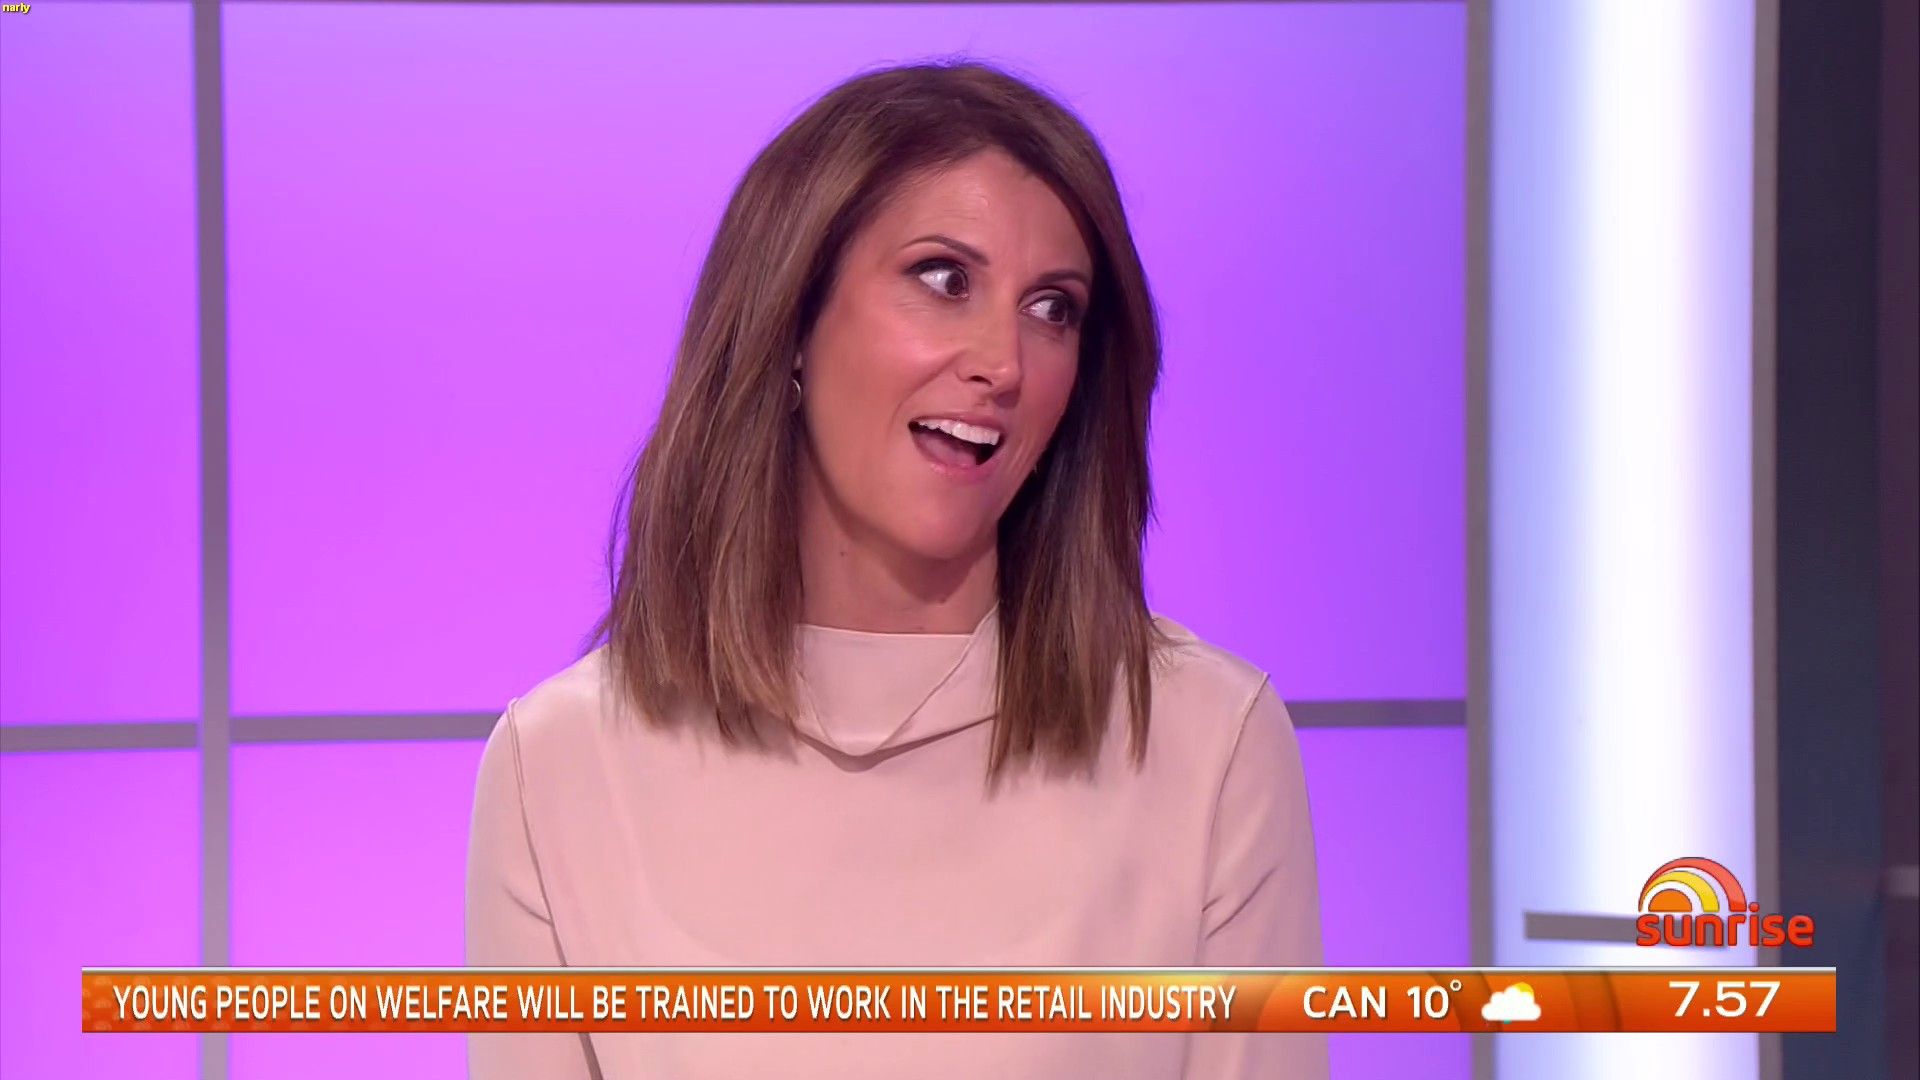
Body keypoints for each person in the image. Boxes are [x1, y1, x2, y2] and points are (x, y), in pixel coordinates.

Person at [465, 60, 1326, 1079]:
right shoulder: (561, 766)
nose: (1004, 362)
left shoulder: (1206, 744)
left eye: (1052, 308)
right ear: (791, 321)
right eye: (945, 279)